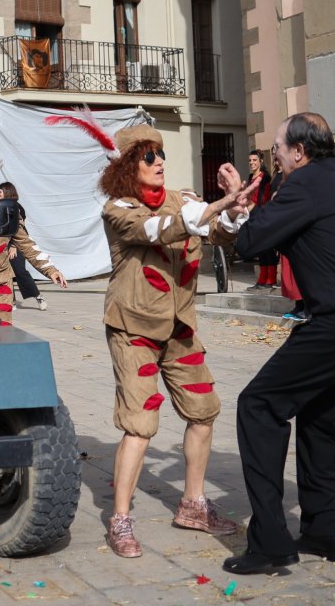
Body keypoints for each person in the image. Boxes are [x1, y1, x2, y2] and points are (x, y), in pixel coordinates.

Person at [224, 113, 335, 575]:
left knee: (258, 406)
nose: (276, 156)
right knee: (319, 413)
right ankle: (325, 530)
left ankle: (270, 542)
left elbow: (250, 241)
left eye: (279, 148)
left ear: (299, 152)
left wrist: (236, 204)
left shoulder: (302, 185)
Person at [85, 123, 245, 558]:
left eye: (160, 154)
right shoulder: (118, 208)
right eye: (148, 156)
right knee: (141, 425)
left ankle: (193, 504)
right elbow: (159, 230)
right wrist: (217, 206)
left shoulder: (186, 200)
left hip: (179, 326)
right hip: (133, 327)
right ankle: (119, 518)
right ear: (126, 166)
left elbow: (220, 235)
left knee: (204, 410)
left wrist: (235, 207)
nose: (160, 163)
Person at [0, 157, 66, 325]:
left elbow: (25, 242)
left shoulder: (6, 206)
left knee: (4, 331)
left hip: (1, 282)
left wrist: (50, 270)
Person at [0, 181, 45, 310]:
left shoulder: (16, 207)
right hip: (3, 244)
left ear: (6, 192)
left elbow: (18, 229)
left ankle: (38, 296)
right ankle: (10, 301)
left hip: (17, 244)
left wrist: (13, 245)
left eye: (0, 192)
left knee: (20, 271)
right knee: (6, 273)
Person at [244, 149, 277, 288]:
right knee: (260, 248)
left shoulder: (265, 177)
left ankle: (270, 278)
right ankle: (262, 278)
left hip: (262, 213)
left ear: (260, 162)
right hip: (251, 213)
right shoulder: (250, 177)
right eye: (250, 160)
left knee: (267, 247)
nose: (252, 163)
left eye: (254, 160)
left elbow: (266, 197)